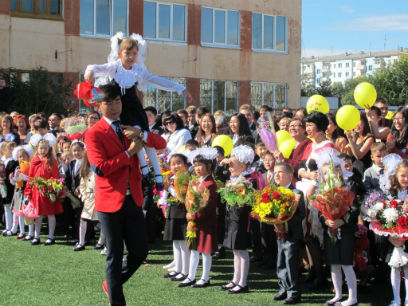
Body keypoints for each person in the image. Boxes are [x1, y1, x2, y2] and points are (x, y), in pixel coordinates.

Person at [85, 83, 166, 306]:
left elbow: (161, 142)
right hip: (109, 202)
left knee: (140, 252)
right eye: (108, 103)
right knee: (114, 254)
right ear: (99, 106)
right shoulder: (93, 133)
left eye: (117, 102)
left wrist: (140, 133)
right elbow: (100, 168)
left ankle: (112, 284)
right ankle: (117, 301)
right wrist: (129, 152)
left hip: (134, 199)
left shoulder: (130, 124)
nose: (114, 106)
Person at [84, 32, 192, 191]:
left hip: (133, 107)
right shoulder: (114, 67)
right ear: (120, 53)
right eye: (127, 53)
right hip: (120, 109)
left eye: (134, 53)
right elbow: (94, 68)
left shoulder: (138, 71)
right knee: (133, 139)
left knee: (144, 135)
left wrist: (180, 89)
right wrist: (89, 77)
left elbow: (157, 80)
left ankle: (157, 174)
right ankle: (145, 169)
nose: (130, 57)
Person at [315, 152, 359, 306]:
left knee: (346, 262)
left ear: (339, 171)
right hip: (330, 230)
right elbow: (319, 211)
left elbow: (354, 209)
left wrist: (342, 220)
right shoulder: (322, 190)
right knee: (334, 262)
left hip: (346, 230)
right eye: (326, 174)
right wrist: (326, 221)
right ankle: (338, 294)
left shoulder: (349, 185)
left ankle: (352, 297)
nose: (329, 176)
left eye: (332, 172)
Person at [179, 149, 219, 288]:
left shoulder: (210, 184)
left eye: (200, 165)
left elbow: (207, 206)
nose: (197, 168)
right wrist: (190, 214)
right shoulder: (197, 182)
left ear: (208, 167)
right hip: (195, 221)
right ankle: (191, 275)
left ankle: (205, 277)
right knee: (194, 249)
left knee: (206, 251)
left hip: (205, 222)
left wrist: (193, 217)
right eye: (195, 165)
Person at [220, 145, 256, 294]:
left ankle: (243, 282)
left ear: (242, 165)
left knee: (242, 251)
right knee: (236, 251)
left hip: (242, 220)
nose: (229, 168)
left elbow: (244, 201)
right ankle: (236, 279)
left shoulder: (248, 180)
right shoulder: (236, 179)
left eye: (232, 165)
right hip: (233, 218)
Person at [273, 162, 305, 305]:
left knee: (291, 262)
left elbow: (300, 215)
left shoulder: (296, 193)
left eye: (280, 172)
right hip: (279, 234)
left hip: (292, 233)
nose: (277, 175)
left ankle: (294, 292)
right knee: (280, 262)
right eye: (275, 173)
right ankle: (283, 288)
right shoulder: (273, 192)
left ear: (289, 175)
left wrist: (285, 223)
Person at [24, 139, 63, 245]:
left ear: (49, 149)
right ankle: (37, 236)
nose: (43, 150)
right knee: (38, 215)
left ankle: (51, 236)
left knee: (50, 214)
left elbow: (56, 177)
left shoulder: (52, 160)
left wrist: (53, 189)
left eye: (45, 148)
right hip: (36, 192)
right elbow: (31, 177)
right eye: (41, 148)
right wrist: (28, 192)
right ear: (37, 149)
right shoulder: (34, 160)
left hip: (48, 192)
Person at [160, 154, 190, 281]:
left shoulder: (186, 178)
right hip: (173, 210)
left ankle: (185, 271)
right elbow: (166, 193)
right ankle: (178, 268)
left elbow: (182, 198)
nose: (176, 166)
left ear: (186, 165)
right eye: (173, 164)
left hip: (182, 212)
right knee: (176, 242)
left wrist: (170, 188)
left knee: (183, 243)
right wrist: (163, 198)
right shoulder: (172, 177)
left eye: (179, 162)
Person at [385, 160, 408, 306]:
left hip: (406, 238)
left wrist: (404, 238)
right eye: (403, 175)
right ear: (396, 175)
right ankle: (396, 299)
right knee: (394, 267)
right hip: (393, 238)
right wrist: (391, 235)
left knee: (407, 268)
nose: (406, 179)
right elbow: (382, 215)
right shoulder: (390, 193)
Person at [9, 145, 34, 239]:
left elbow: (30, 179)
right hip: (18, 191)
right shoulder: (17, 168)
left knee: (28, 213)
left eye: (24, 156)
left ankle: (31, 233)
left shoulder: (30, 166)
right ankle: (22, 231)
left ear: (28, 157)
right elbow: (15, 181)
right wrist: (12, 179)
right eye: (20, 157)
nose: (22, 158)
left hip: (26, 191)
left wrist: (22, 176)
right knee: (19, 213)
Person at [344, 112, 374, 176]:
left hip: (364, 173)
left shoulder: (370, 138)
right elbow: (351, 156)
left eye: (358, 121)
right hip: (354, 171)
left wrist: (349, 139)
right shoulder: (356, 137)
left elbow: (358, 156)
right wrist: (348, 149)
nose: (356, 124)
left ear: (364, 122)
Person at [1, 141, 18, 236]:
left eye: (13, 149)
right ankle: (8, 226)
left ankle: (14, 228)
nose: (11, 151)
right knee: (6, 207)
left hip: (13, 186)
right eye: (9, 148)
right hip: (4, 186)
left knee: (14, 208)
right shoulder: (3, 160)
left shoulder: (15, 161)